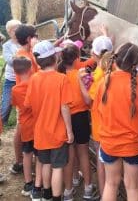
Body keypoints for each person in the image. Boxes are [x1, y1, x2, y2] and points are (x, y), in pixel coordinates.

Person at [96, 42, 138, 201]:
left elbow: (99, 111)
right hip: (134, 145)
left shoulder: (104, 82)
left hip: (109, 143)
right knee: (133, 187)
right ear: (136, 64)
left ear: (116, 60)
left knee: (111, 184)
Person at [24, 40, 74, 201]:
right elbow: (64, 107)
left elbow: (29, 104)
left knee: (45, 163)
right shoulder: (61, 79)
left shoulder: (34, 79)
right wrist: (69, 130)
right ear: (54, 58)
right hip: (58, 131)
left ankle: (46, 194)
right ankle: (56, 197)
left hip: (40, 131)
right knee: (58, 167)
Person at [58, 44, 99, 201]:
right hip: (80, 117)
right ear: (76, 59)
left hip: (64, 118)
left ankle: (68, 191)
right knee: (83, 153)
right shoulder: (79, 75)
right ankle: (88, 188)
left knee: (69, 155)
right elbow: (88, 99)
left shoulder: (59, 76)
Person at [80, 35, 114, 197]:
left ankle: (104, 193)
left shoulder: (100, 74)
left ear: (94, 55)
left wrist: (81, 82)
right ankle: (113, 190)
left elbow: (89, 100)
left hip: (101, 126)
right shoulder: (116, 68)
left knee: (102, 162)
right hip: (116, 125)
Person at [11, 57, 42, 197]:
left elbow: (17, 105)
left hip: (25, 127)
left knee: (27, 154)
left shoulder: (15, 89)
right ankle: (38, 184)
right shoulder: (35, 84)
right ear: (30, 69)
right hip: (38, 126)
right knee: (40, 156)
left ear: (15, 72)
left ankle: (28, 182)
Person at [1, 19, 21, 125]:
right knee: (6, 106)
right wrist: (23, 55)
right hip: (11, 80)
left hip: (24, 79)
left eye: (19, 29)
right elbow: (10, 61)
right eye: (14, 30)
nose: (17, 31)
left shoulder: (25, 42)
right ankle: (1, 124)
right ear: (9, 32)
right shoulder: (7, 46)